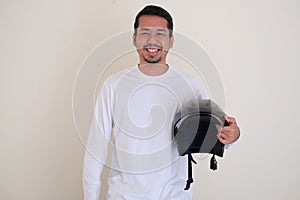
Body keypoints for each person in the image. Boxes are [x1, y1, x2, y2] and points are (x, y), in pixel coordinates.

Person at [83, 5, 240, 200]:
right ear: (134, 39)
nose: (152, 41)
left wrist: (233, 136)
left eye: (160, 34)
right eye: (144, 33)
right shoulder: (113, 86)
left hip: (174, 195)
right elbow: (95, 149)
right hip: (123, 195)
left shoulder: (189, 85)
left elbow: (209, 135)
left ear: (171, 40)